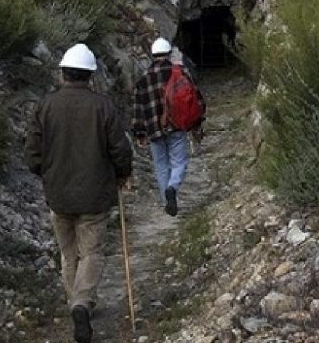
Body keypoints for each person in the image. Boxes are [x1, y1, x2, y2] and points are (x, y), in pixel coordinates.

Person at [25, 43, 132, 343]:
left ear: (62, 74)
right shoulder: (103, 106)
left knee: (67, 252)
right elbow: (119, 149)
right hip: (95, 194)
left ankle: (77, 303)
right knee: (91, 252)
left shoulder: (45, 106)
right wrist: (122, 173)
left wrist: (45, 173)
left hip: (57, 194)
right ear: (90, 76)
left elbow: (32, 153)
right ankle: (81, 304)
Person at [130, 37, 198, 217]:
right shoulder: (180, 73)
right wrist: (196, 123)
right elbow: (193, 99)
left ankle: (166, 201)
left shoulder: (143, 79)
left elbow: (138, 107)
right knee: (179, 162)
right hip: (176, 126)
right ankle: (172, 188)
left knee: (161, 166)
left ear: (152, 55)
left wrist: (139, 132)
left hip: (153, 128)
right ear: (169, 53)